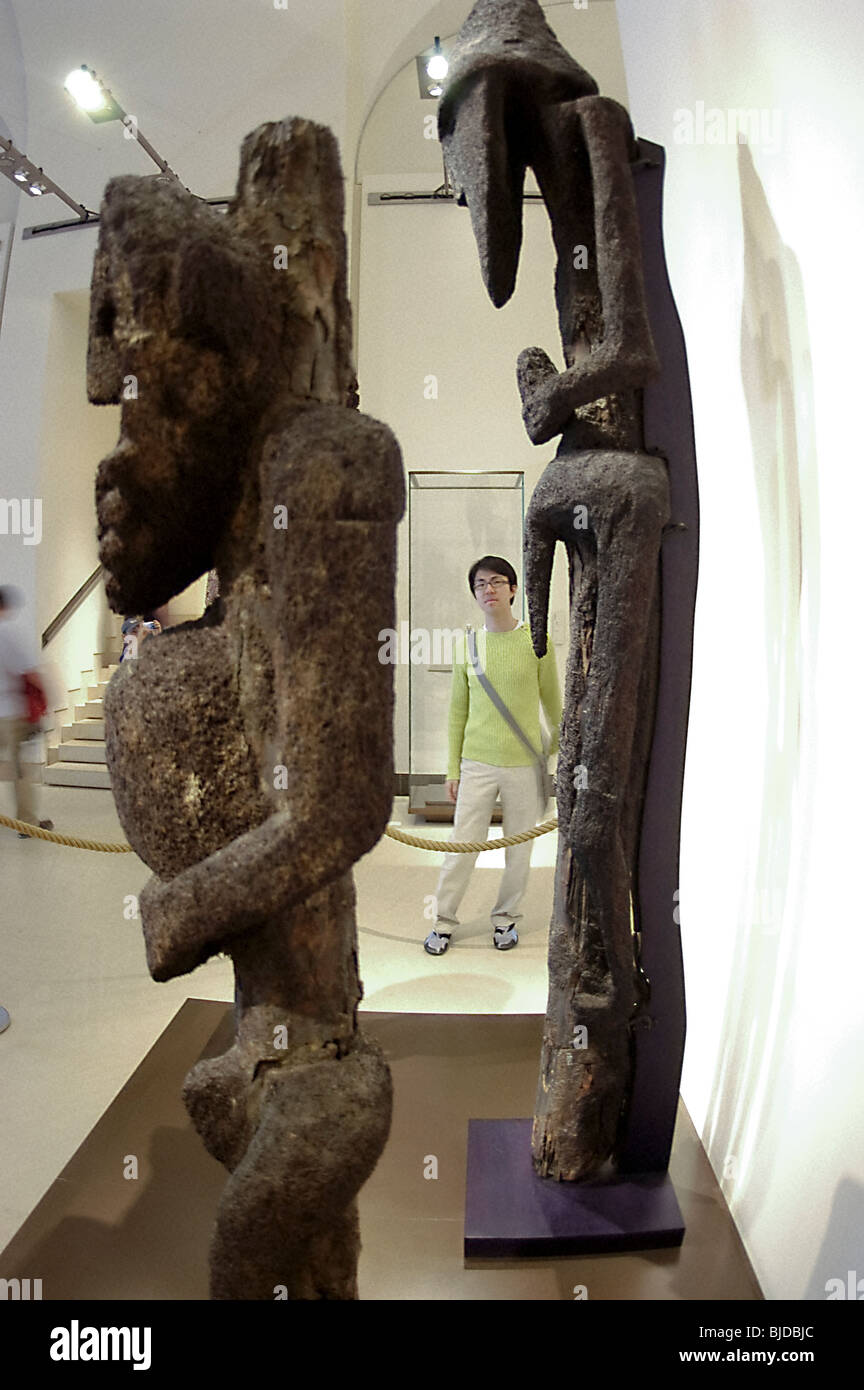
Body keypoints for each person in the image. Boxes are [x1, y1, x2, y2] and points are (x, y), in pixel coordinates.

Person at [424, 555, 562, 956]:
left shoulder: (537, 641)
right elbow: (457, 713)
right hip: (477, 764)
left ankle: (505, 919)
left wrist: (556, 753)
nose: (489, 590)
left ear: (514, 589)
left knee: (519, 850)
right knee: (462, 846)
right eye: (481, 584)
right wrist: (453, 769)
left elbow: (553, 704)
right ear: (475, 594)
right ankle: (443, 920)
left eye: (497, 582)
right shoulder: (468, 646)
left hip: (524, 764)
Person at [0, 586, 53, 838]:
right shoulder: (8, 632)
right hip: (10, 712)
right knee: (20, 769)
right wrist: (47, 701)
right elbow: (30, 673)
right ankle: (28, 824)